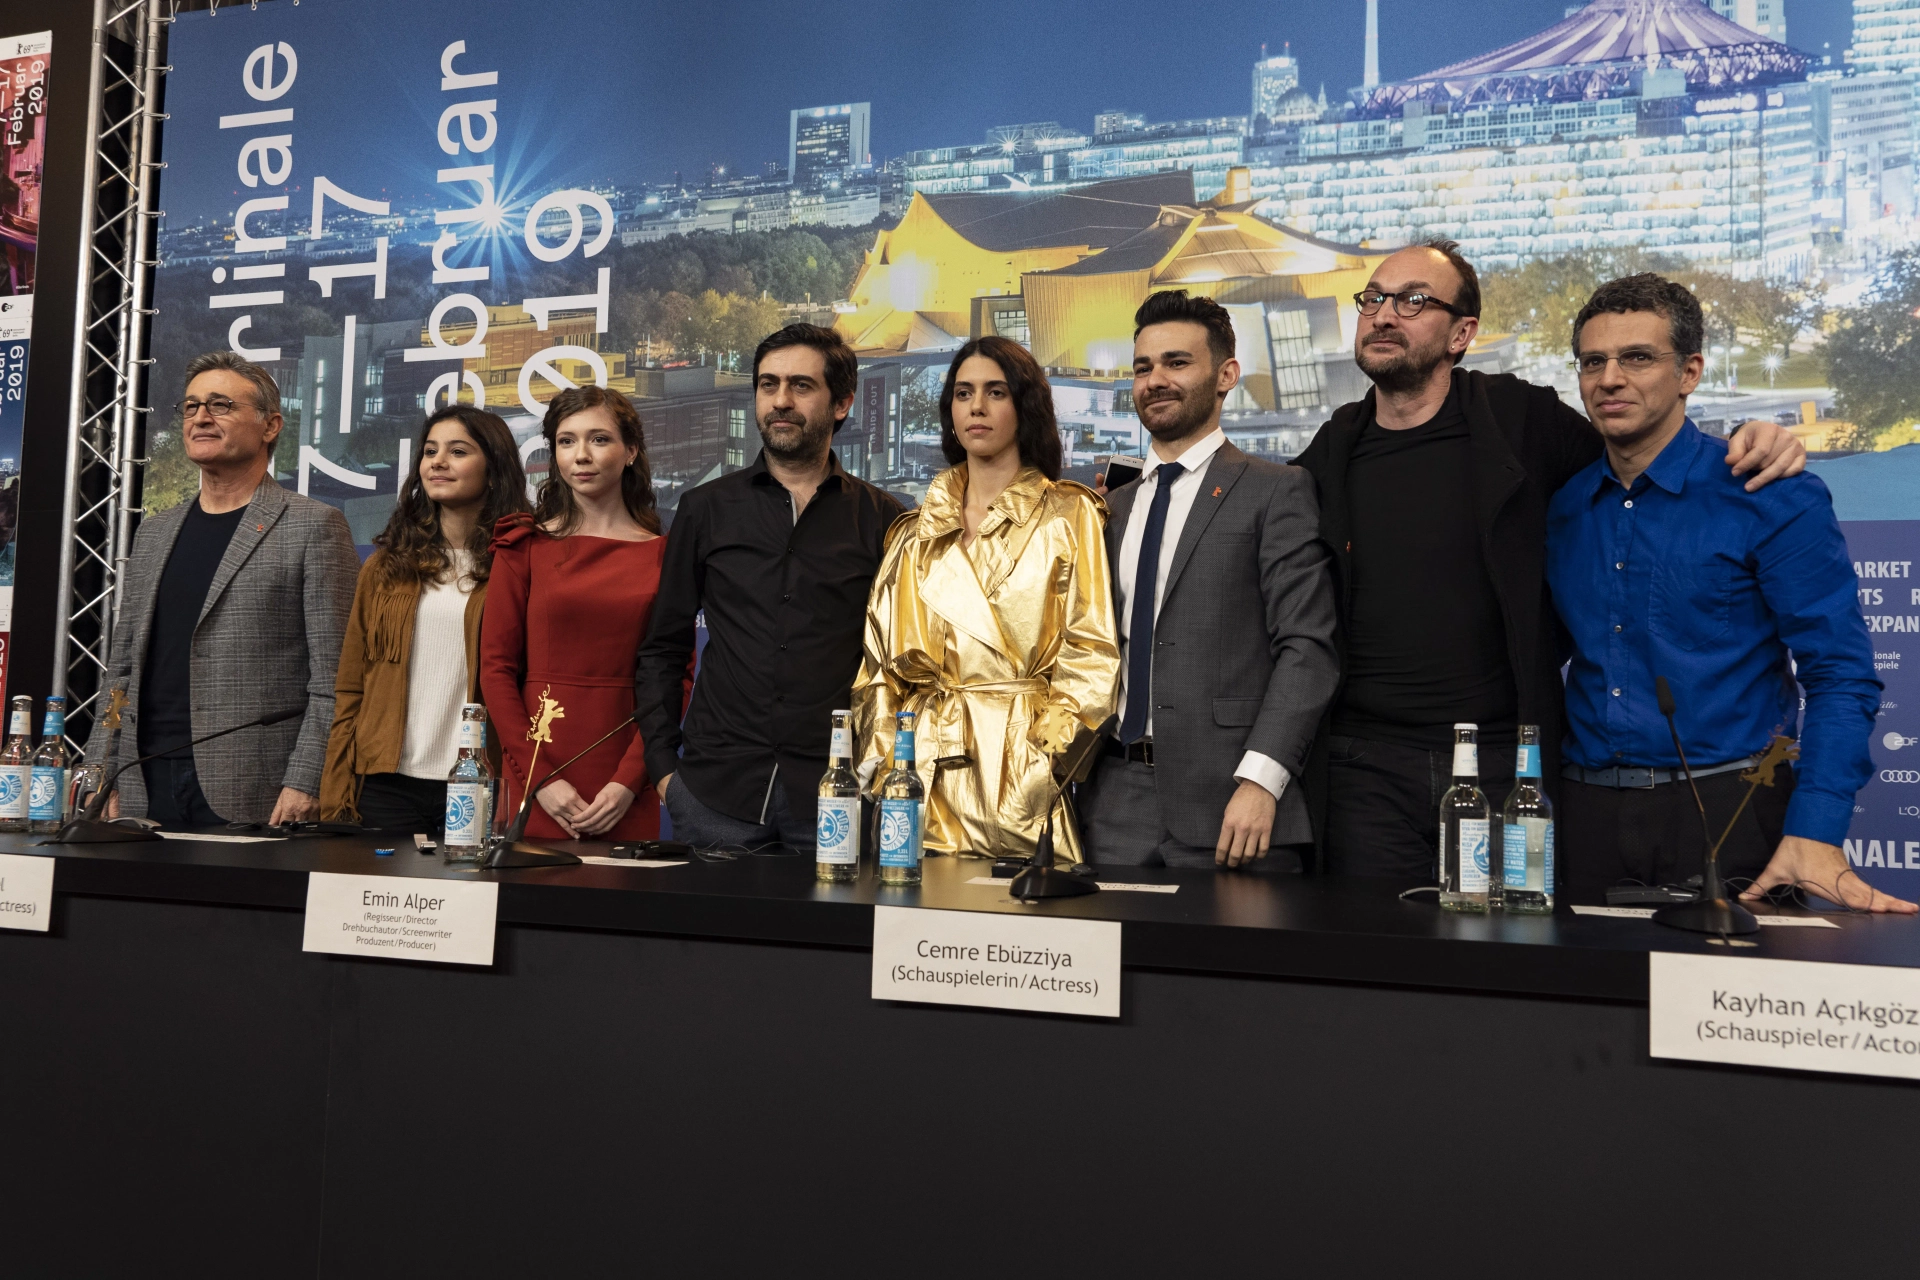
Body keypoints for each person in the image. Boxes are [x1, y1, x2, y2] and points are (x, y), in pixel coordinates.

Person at [1292, 240, 1811, 879]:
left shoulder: (1518, 418)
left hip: (1507, 762)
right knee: (1374, 963)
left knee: (1511, 962)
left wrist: (1750, 437)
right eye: (1373, 299)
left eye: (1413, 300)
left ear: (1462, 333)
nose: (1382, 314)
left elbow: (1638, 450)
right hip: (1361, 769)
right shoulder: (1333, 445)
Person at [1547, 274, 1914, 913]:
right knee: (1582, 1012)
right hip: (1583, 818)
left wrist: (1817, 827)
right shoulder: (1563, 508)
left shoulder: (1768, 493)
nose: (1609, 378)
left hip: (1732, 811)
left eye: (1637, 357)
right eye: (1592, 361)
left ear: (1690, 372)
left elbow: (1842, 675)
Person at [1080, 291, 1338, 873]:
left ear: (1226, 375)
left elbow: (1307, 648)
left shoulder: (1275, 489)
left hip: (1234, 805)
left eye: (1177, 362)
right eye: (1143, 367)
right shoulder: (1107, 508)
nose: (1155, 380)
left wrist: (1262, 780)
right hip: (1111, 805)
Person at [636, 324, 904, 850]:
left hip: (837, 798)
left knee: (831, 935)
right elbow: (662, 647)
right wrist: (665, 772)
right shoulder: (705, 508)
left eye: (801, 386)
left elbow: (897, 664)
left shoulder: (884, 519)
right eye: (767, 385)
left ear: (843, 402)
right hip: (716, 794)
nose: (780, 401)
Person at [854, 337, 1118, 860]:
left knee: (1024, 938)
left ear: (1025, 406)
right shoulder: (912, 535)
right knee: (916, 934)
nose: (976, 406)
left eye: (995, 392)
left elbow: (1091, 656)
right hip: (921, 776)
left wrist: (1043, 768)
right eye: (963, 393)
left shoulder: (1069, 515)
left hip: (1019, 770)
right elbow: (880, 674)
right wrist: (890, 769)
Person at [86, 351, 358, 826]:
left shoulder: (314, 526)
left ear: (270, 425)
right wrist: (98, 767)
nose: (200, 418)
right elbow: (122, 670)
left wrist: (307, 779)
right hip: (139, 782)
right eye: (190, 407)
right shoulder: (154, 531)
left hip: (257, 787)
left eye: (220, 406)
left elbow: (336, 678)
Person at [320, 405, 529, 829]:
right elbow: (350, 686)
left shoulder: (522, 566)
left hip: (479, 783)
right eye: (430, 451)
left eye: (458, 451)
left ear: (494, 468)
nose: (438, 461)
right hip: (384, 782)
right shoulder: (385, 567)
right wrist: (335, 787)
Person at [479, 386, 669, 841]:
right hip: (537, 762)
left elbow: (674, 680)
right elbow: (496, 670)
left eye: (599, 439)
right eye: (566, 441)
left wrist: (630, 780)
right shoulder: (522, 546)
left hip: (625, 771)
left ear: (631, 452)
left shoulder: (667, 556)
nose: (580, 455)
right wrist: (538, 777)